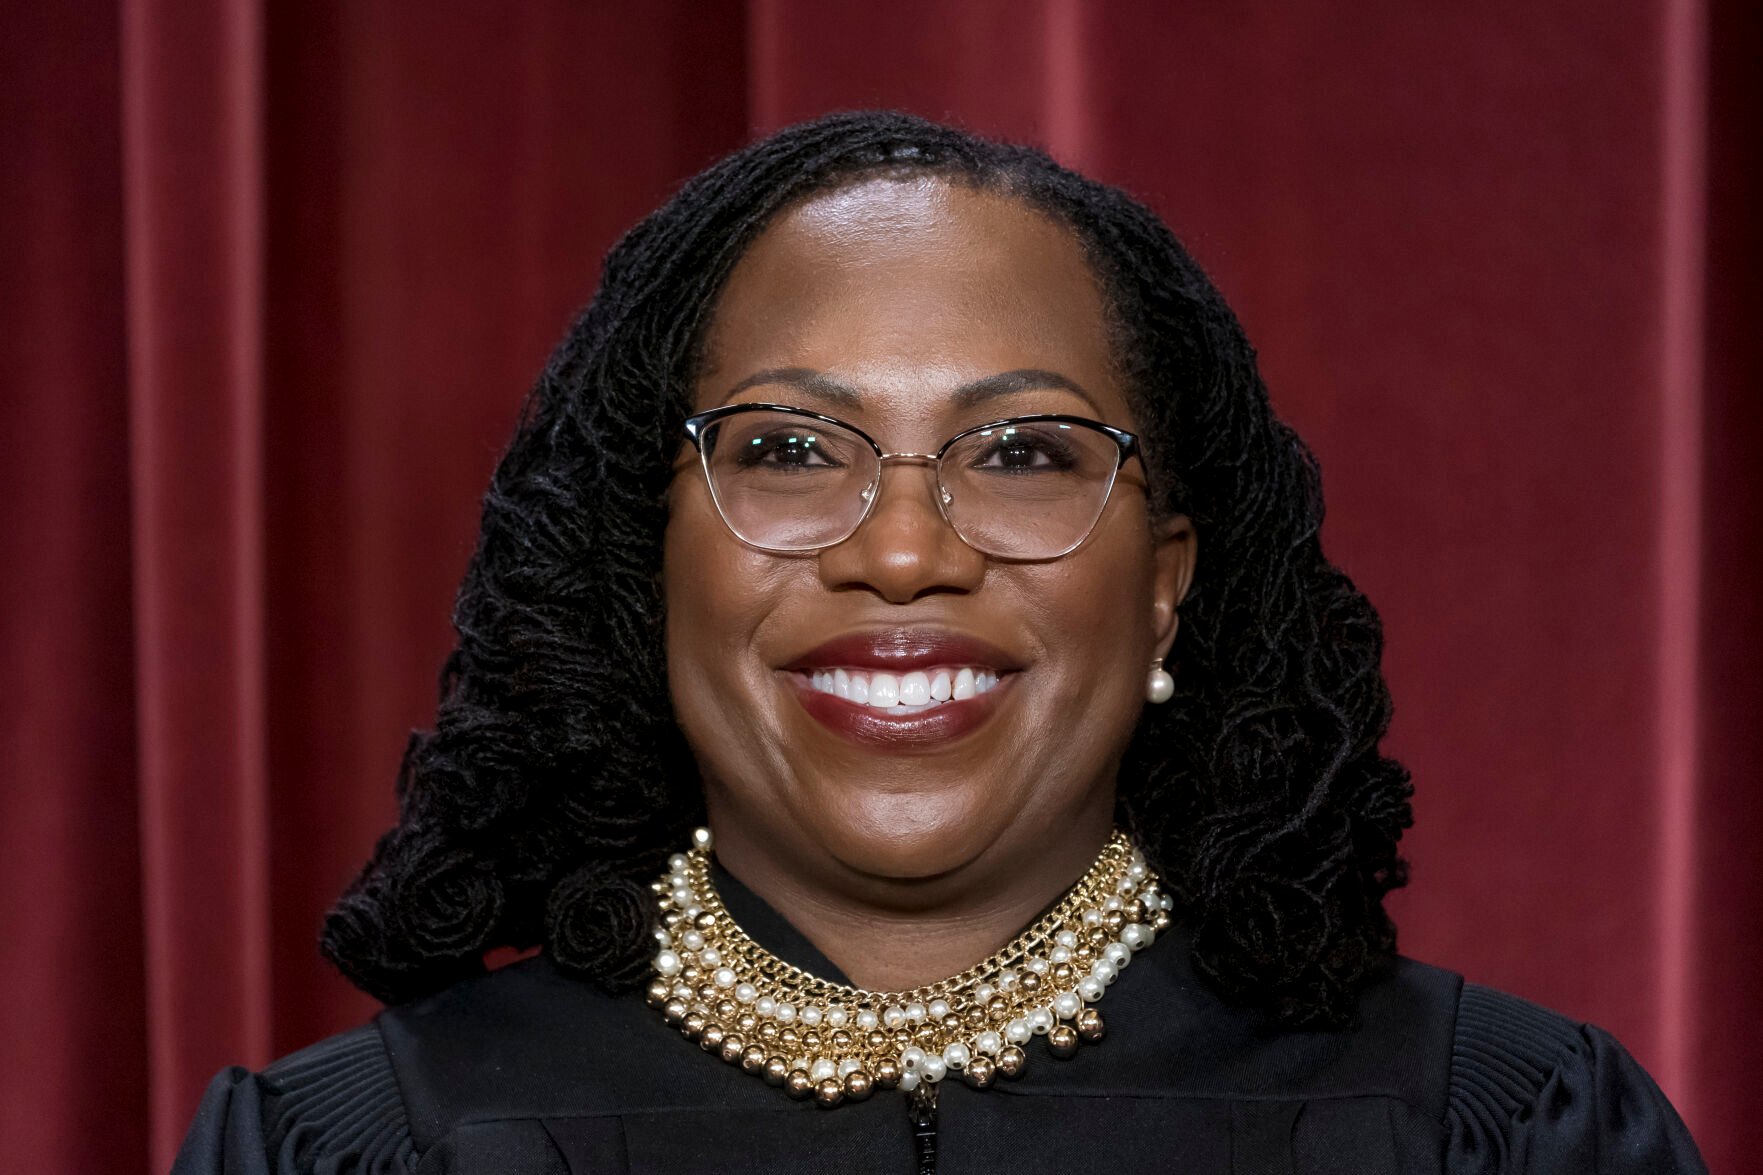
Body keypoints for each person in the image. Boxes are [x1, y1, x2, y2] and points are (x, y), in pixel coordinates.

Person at [172, 111, 1705, 1173]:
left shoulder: (1490, 1133)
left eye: (1025, 453)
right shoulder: (359, 1149)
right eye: (788, 450)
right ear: (646, 565)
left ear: (1166, 581)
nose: (903, 551)